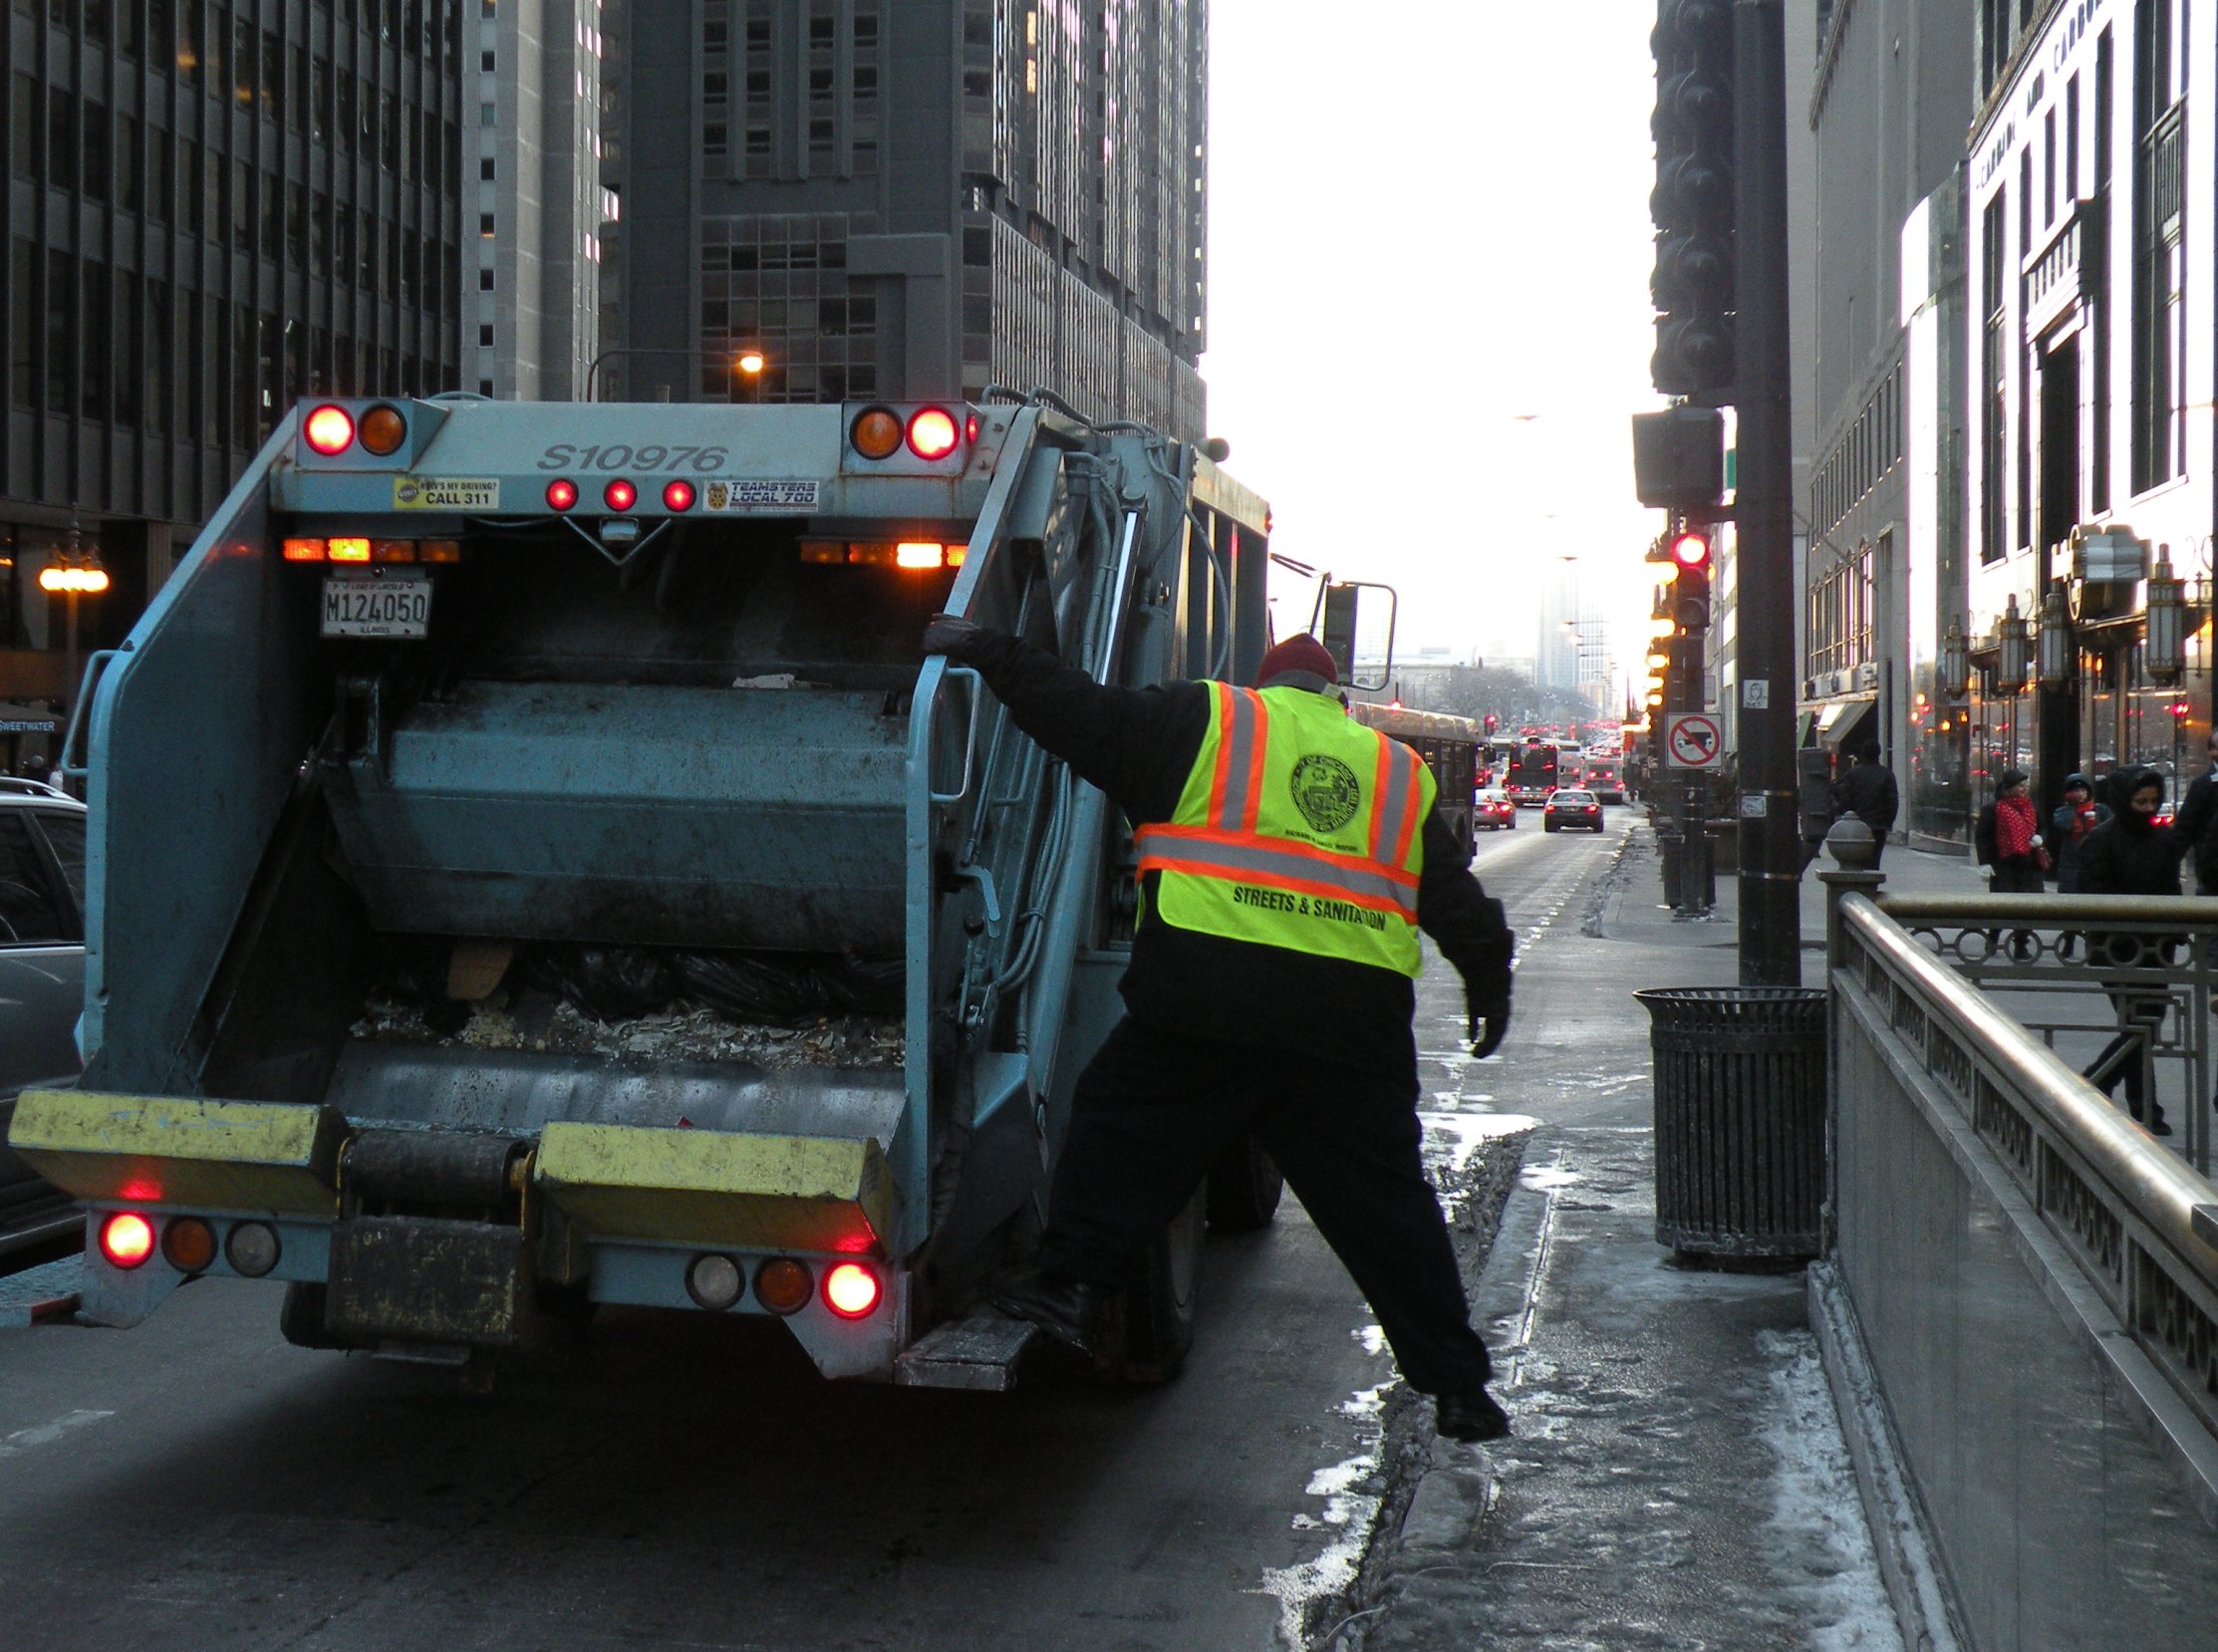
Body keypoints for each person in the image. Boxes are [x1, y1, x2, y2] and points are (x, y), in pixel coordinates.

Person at [923, 618, 1519, 1443]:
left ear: (1264, 682)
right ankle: (1460, 1388)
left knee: (1118, 1126)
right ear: (1336, 698)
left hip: (1209, 1003)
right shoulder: (1394, 770)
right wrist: (1490, 981)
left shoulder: (1206, 721)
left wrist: (988, 649)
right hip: (1350, 1029)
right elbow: (1455, 901)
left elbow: (1073, 711)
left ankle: (1072, 1287)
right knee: (1388, 1212)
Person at [2076, 766, 2181, 1135]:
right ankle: (2105, 1088)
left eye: (2153, 801)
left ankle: (2119, 1094)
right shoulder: (2102, 840)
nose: (2148, 809)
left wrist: (2175, 931)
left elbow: (2171, 889)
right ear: (2124, 801)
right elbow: (2089, 893)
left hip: (2155, 949)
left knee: (2144, 1024)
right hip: (2116, 949)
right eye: (2141, 802)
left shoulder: (2162, 839)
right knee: (2141, 1023)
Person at [2049, 773, 2111, 960]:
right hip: (2071, 867)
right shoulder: (2064, 812)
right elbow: (2061, 824)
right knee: (2071, 909)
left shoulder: (2100, 810)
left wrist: (2093, 821)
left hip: (2094, 866)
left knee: (2093, 909)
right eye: (2076, 790)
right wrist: (2077, 811)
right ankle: (2069, 941)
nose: (2081, 794)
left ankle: (2092, 944)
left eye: (2083, 790)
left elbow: (2110, 827)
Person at [1829, 739, 1900, 866]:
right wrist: (1887, 822)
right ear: (1878, 753)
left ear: (1863, 754)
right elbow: (1892, 802)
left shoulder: (1853, 774)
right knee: (1874, 863)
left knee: (1855, 863)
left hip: (1856, 825)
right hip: (1878, 826)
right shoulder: (1887, 775)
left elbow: (1845, 799)